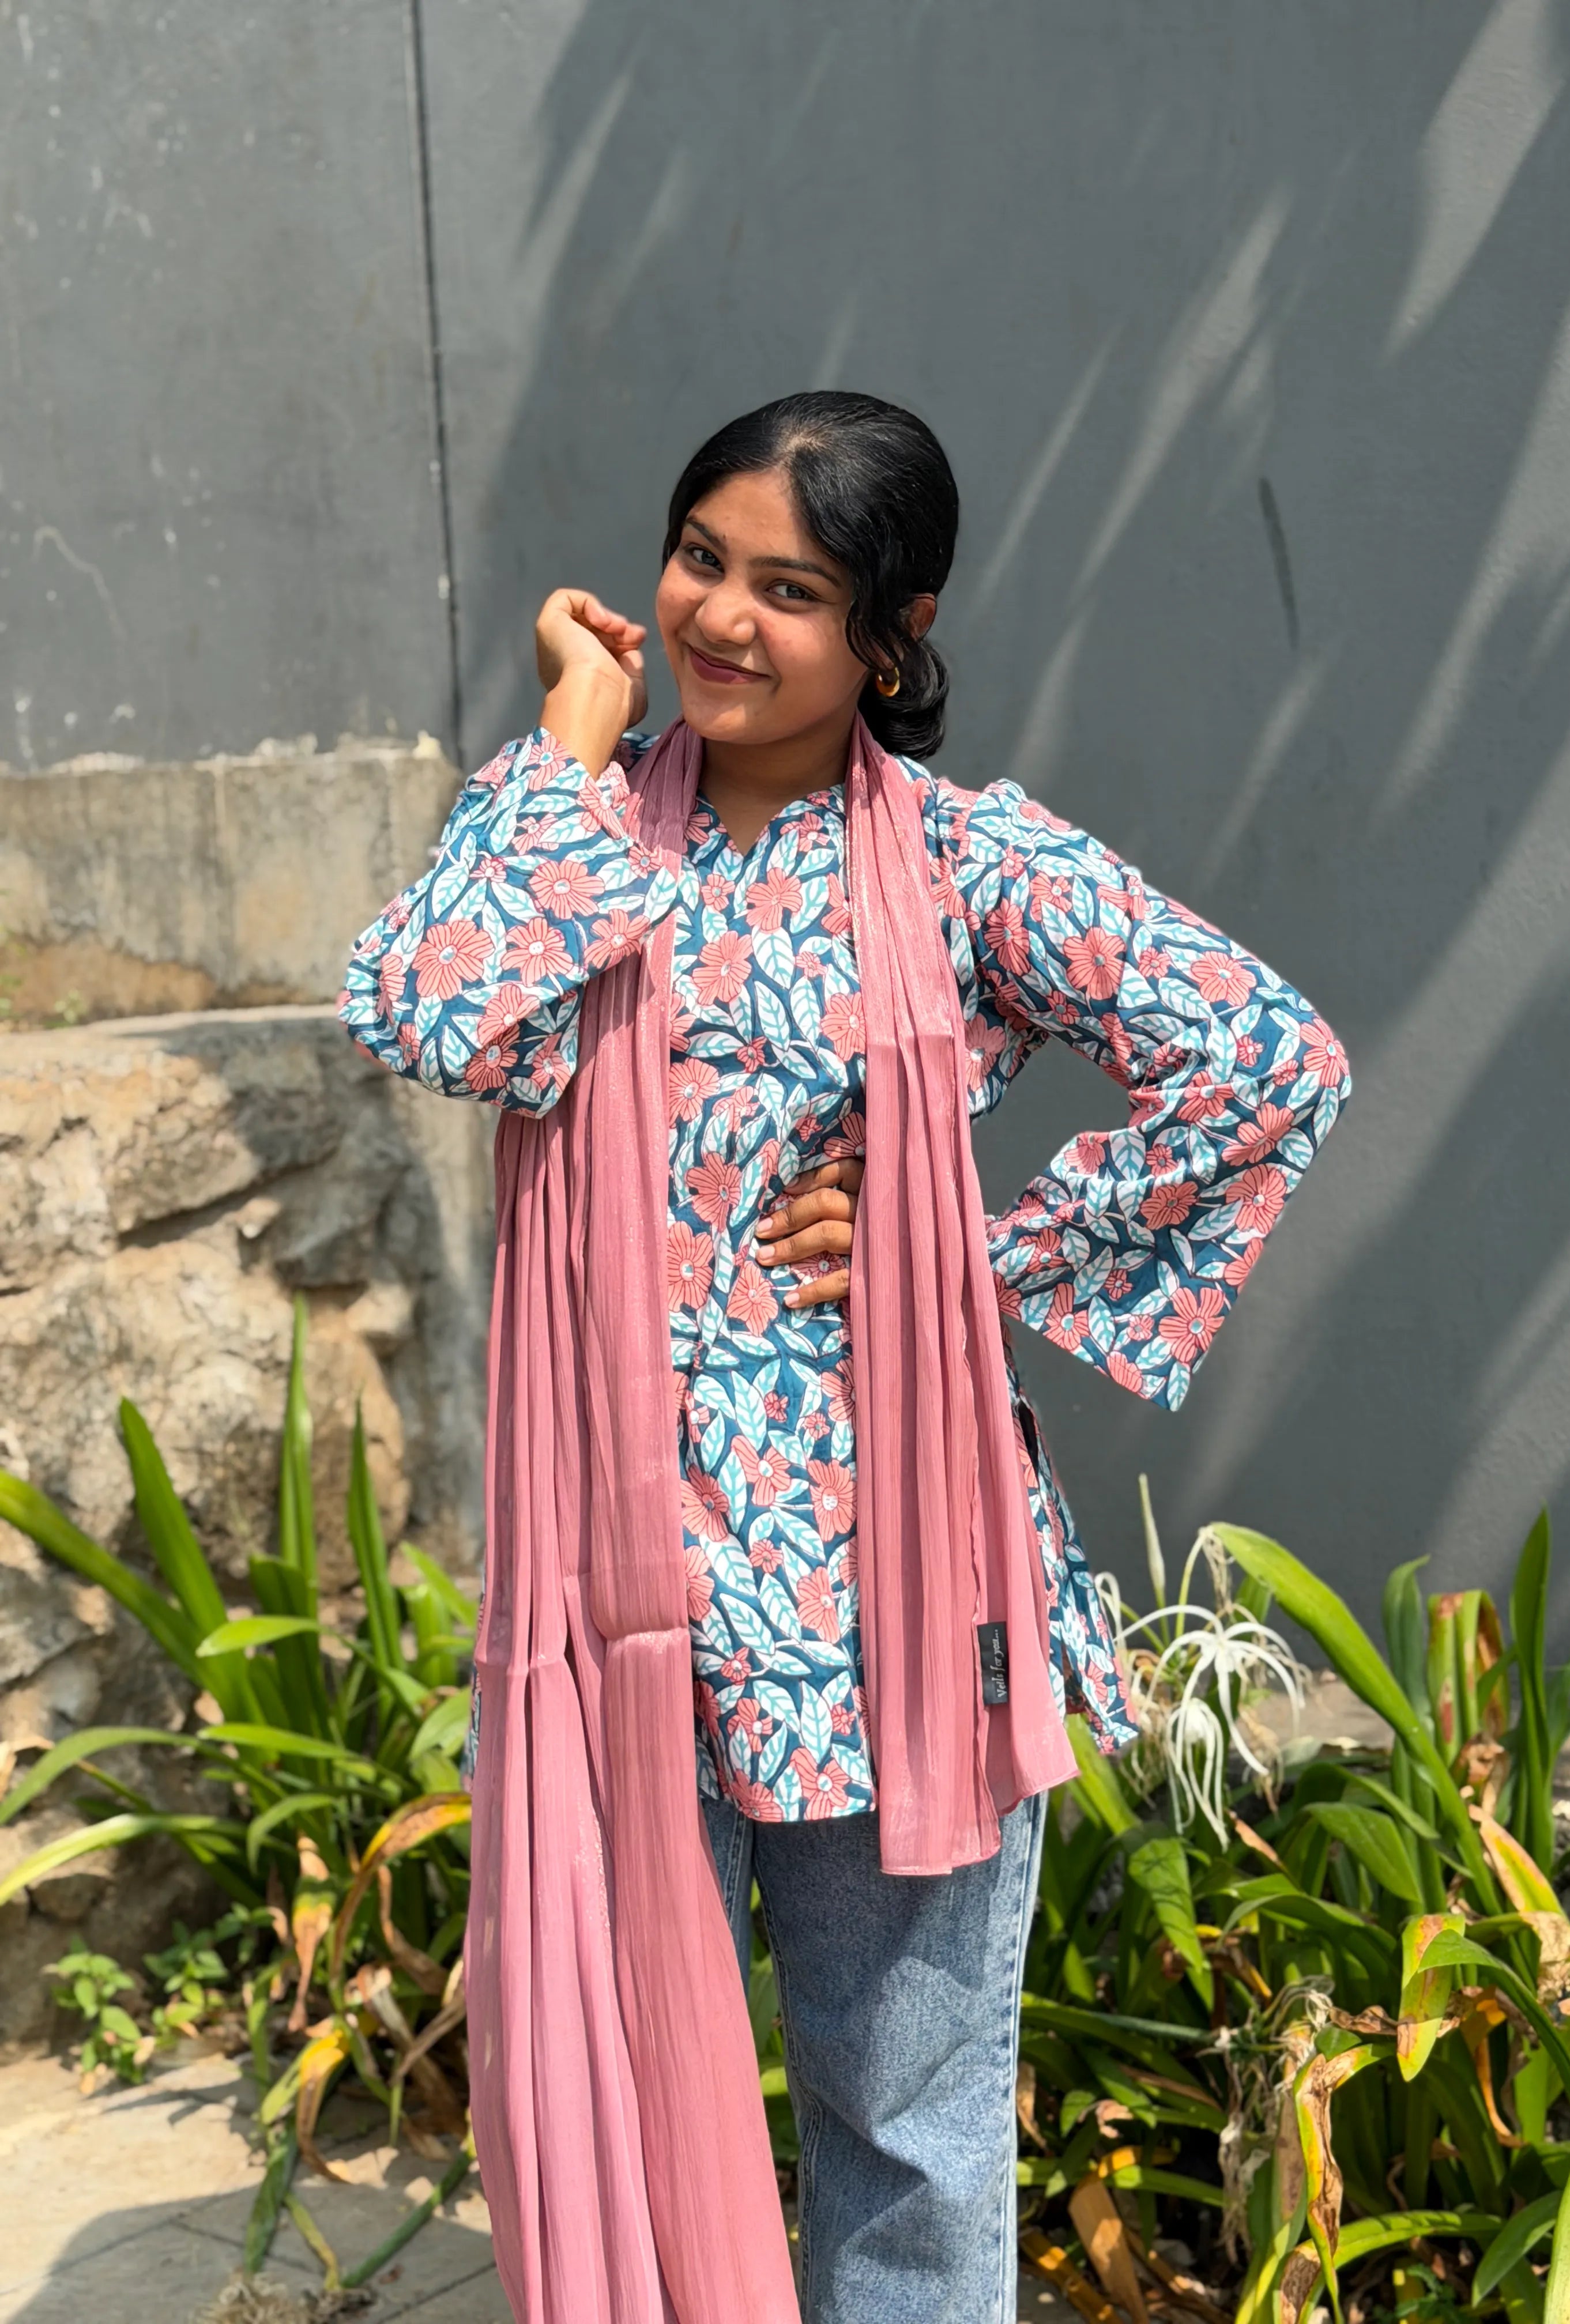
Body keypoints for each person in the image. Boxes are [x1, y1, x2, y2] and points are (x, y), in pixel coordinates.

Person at [340, 391, 1349, 2324]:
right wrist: (568, 730)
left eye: (790, 589)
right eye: (699, 559)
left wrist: (967, 1246)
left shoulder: (965, 868)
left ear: (892, 633)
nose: (721, 617)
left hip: (882, 1598)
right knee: (622, 2116)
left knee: (905, 2139)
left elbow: (1268, 1057)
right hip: (618, 1601)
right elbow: (428, 1012)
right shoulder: (574, 832)